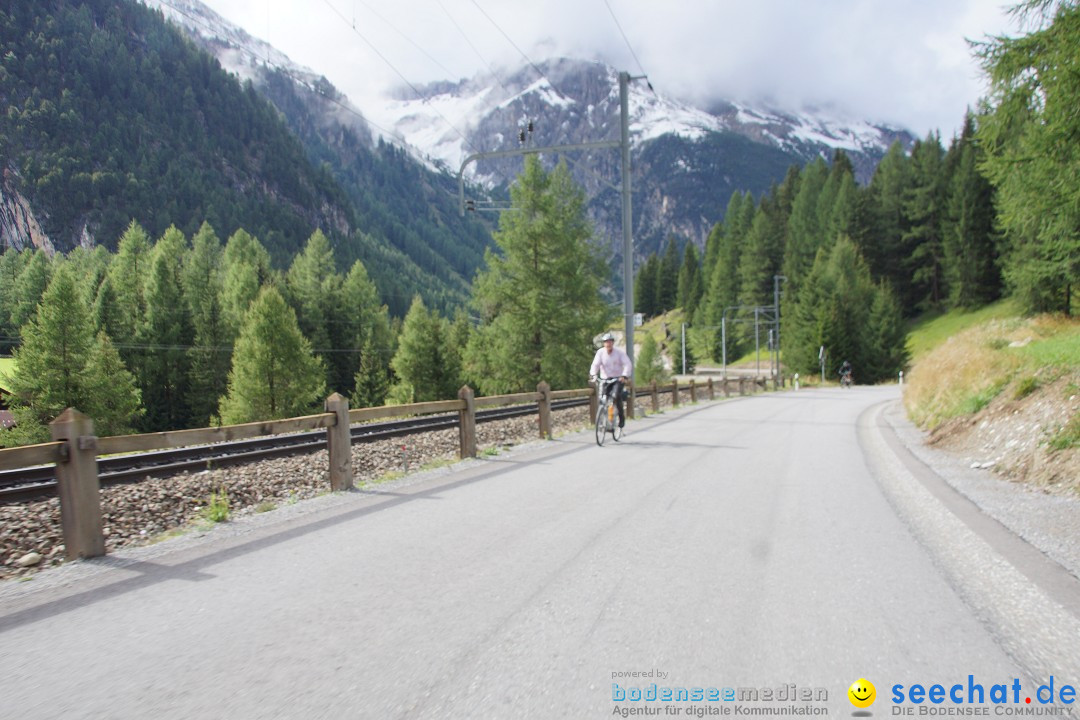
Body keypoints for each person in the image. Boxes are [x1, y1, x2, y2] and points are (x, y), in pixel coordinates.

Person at [589, 332, 633, 428]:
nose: (608, 344)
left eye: (610, 342)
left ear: (613, 343)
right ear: (603, 343)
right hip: (605, 378)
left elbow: (627, 364)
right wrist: (593, 374)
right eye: (606, 342)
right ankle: (603, 419)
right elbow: (595, 364)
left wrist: (624, 375)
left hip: (617, 379)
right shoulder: (600, 352)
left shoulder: (619, 353)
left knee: (615, 396)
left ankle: (621, 418)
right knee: (601, 398)